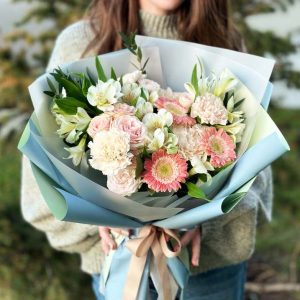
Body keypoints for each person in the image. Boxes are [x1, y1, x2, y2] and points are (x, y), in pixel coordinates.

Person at [21, 0, 273, 299]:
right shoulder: (81, 43)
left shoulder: (225, 41)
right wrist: (100, 221)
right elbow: (41, 182)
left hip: (210, 278)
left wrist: (206, 223)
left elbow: (257, 176)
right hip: (120, 268)